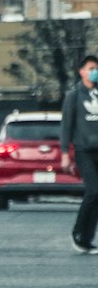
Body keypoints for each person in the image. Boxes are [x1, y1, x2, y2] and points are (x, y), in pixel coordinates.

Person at [60, 52, 98, 253]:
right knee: (93, 191)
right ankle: (78, 232)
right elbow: (66, 126)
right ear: (81, 72)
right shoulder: (74, 96)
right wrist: (65, 152)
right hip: (84, 151)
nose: (95, 73)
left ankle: (87, 238)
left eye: (97, 69)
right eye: (91, 69)